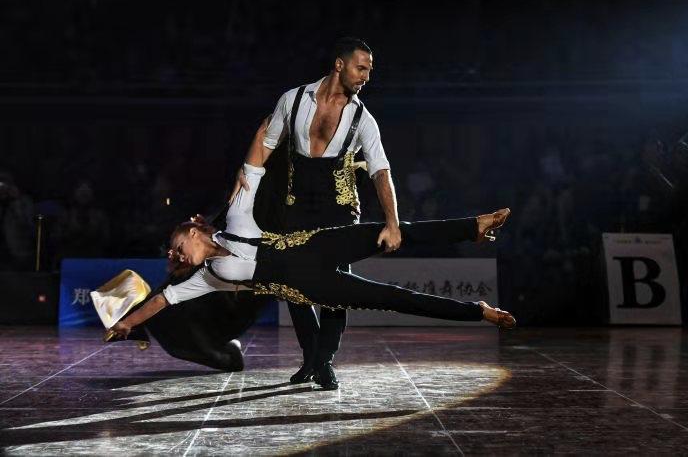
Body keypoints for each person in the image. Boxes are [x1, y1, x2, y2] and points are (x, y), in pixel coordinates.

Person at [108, 160, 516, 360]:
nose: (178, 255)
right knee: (396, 297)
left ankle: (473, 226)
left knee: (396, 230)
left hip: (318, 244)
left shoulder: (235, 217)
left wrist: (273, 122)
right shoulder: (208, 277)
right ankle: (477, 312)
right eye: (176, 257)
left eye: (178, 246)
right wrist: (127, 321)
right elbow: (161, 301)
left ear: (194, 231)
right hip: (314, 286)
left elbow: (252, 164)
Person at [229, 37, 400, 389]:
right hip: (297, 203)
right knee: (293, 283)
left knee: (338, 286)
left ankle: (324, 360)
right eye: (361, 68)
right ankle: (311, 355)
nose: (367, 76)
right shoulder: (293, 100)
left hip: (339, 206)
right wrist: (245, 179)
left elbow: (381, 170)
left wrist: (392, 221)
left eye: (370, 70)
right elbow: (266, 141)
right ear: (339, 65)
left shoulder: (362, 117)